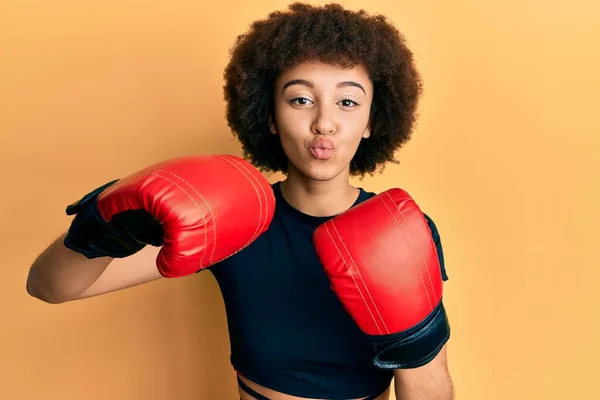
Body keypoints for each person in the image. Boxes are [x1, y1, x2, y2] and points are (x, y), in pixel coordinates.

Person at [26, 2, 454, 399]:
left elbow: (428, 388)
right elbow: (49, 287)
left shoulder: (402, 230)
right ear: (269, 116)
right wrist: (103, 223)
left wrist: (415, 337)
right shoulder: (236, 219)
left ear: (370, 123)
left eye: (347, 102)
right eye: (301, 99)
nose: (324, 123)